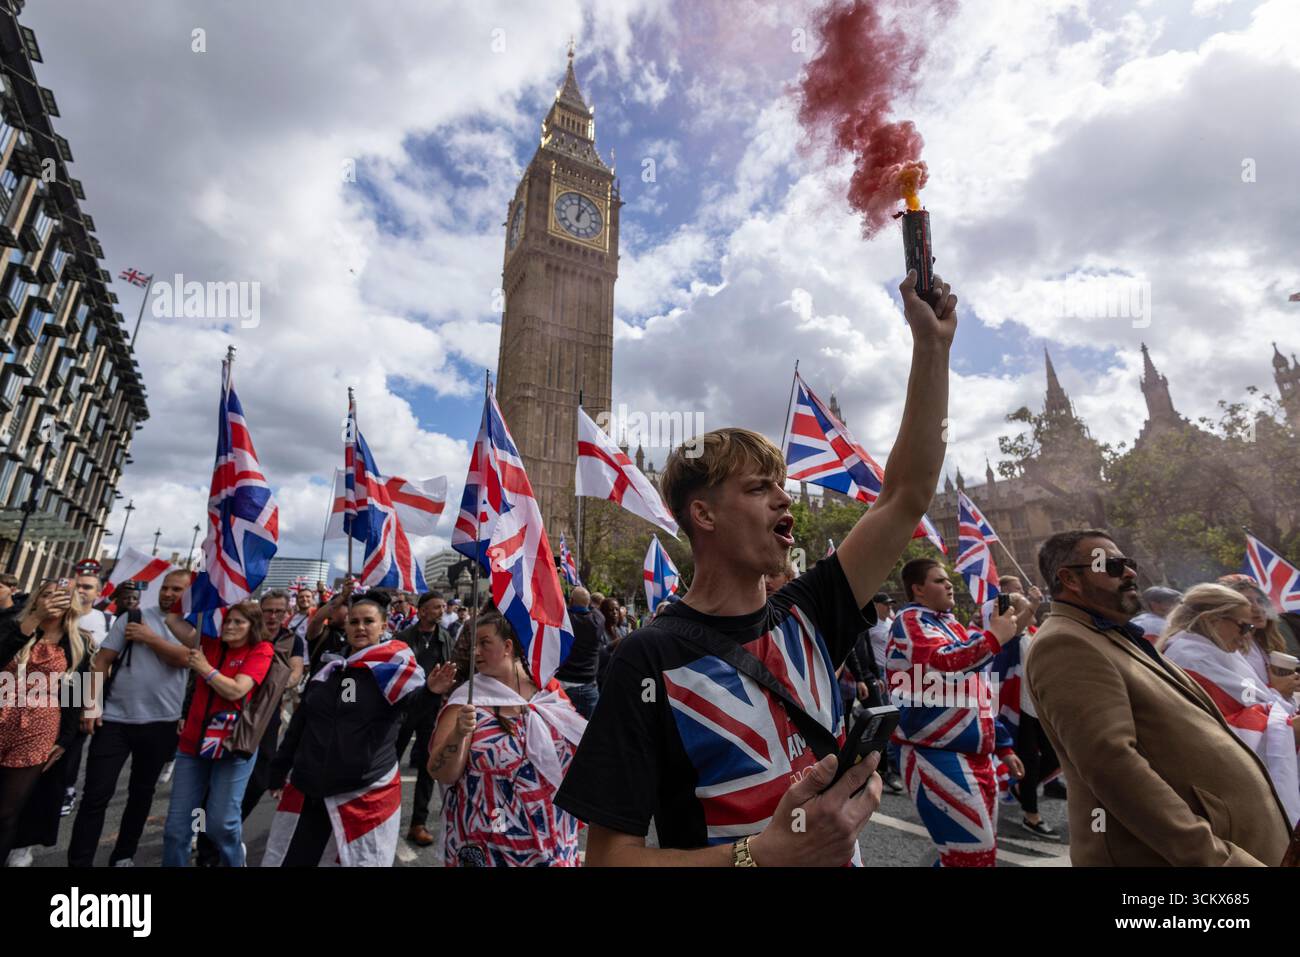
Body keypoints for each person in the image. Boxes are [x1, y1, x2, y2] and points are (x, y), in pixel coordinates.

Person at [554, 269, 956, 865]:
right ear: (704, 515)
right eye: (760, 487)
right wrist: (756, 857)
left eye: (783, 485)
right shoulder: (647, 658)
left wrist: (932, 347)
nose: (784, 499)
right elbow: (609, 859)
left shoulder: (812, 612)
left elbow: (905, 494)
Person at [1025, 529, 1291, 866]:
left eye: (1128, 563)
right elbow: (1114, 768)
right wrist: (1216, 859)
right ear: (1070, 580)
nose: (1130, 572)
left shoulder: (1106, 635)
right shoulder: (1066, 644)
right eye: (1111, 565)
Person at [263, 593, 427, 866]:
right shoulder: (329, 667)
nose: (360, 627)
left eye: (368, 621)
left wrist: (433, 692)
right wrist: (279, 768)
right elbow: (302, 722)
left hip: (360, 792)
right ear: (346, 626)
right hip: (312, 788)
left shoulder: (395, 672)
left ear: (384, 626)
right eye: (354, 621)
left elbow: (415, 712)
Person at [887, 559, 1024, 866]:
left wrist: (1002, 746)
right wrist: (993, 638)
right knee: (971, 857)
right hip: (933, 753)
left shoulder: (951, 624)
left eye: (948, 580)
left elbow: (976, 689)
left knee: (971, 857)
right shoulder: (910, 620)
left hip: (976, 754)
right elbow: (940, 665)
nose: (949, 585)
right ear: (918, 589)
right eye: (939, 580)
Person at [430, 610, 585, 866]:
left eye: (484, 643)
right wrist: (459, 733)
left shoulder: (549, 692)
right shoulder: (466, 701)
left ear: (508, 646)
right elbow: (441, 772)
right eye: (473, 645)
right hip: (489, 842)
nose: (474, 652)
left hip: (552, 839)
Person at [68, 568, 194, 867]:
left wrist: (150, 638)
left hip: (161, 722)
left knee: (141, 795)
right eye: (166, 587)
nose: (168, 594)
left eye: (177, 590)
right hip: (114, 720)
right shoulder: (133, 617)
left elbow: (185, 658)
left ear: (188, 594)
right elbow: (101, 662)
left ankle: (123, 855)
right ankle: (79, 861)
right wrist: (90, 704)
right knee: (95, 796)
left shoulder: (193, 626)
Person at [1160, 582, 1300, 826]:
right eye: (1243, 626)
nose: (1248, 634)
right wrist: (1290, 727)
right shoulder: (1190, 657)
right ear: (1212, 619)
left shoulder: (1219, 650)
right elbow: (1222, 731)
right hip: (1222, 789)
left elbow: (1256, 703)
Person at [161, 601, 273, 866]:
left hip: (232, 747)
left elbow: (236, 690)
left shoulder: (261, 650)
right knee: (177, 829)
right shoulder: (209, 644)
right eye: (228, 621)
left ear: (252, 626)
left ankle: (235, 861)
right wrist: (193, 588)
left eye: (239, 622)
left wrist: (205, 668)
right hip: (191, 747)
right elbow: (172, 621)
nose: (230, 626)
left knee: (221, 825)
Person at [0, 582, 90, 865]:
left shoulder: (79, 643)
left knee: (7, 811)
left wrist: (64, 741)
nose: (52, 600)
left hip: (38, 729)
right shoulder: (16, 626)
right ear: (37, 600)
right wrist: (33, 619)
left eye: (59, 596)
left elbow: (77, 697)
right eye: (46, 595)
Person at [985, 574, 1057, 839]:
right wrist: (1034, 606)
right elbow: (1014, 630)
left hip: (1038, 706)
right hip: (1016, 708)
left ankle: (1019, 786)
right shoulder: (1008, 636)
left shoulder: (1033, 632)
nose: (1029, 606)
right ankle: (1031, 815)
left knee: (1054, 756)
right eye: (1022, 604)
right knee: (1029, 758)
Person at [393, 591, 455, 846]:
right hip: (405, 709)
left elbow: (451, 670)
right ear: (422, 611)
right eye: (436, 607)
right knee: (389, 761)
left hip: (432, 712)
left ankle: (417, 823)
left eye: (443, 606)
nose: (441, 610)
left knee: (428, 768)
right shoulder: (403, 638)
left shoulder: (445, 637)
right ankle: (384, 812)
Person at [1216, 574, 1300, 700]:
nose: (1257, 608)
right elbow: (1246, 699)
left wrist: (1289, 684)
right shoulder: (1229, 649)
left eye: (1260, 601)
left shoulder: (1263, 642)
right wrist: (1277, 690)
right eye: (1247, 602)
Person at [553, 587, 601, 720]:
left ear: (571, 601)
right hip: (588, 688)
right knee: (588, 735)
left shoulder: (566, 621)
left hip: (564, 687)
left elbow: (560, 609)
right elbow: (594, 608)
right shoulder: (598, 620)